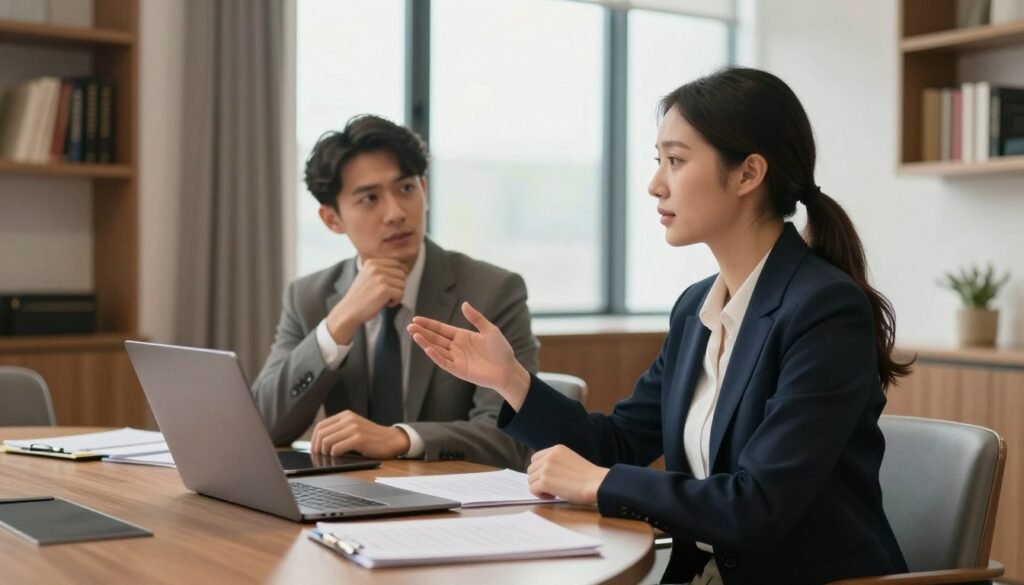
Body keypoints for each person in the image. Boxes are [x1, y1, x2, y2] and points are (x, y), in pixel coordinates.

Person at [408, 67, 911, 585]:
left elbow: (759, 505)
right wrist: (510, 380)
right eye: (659, 161)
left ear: (748, 174)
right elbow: (618, 442)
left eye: (675, 160)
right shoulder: (697, 307)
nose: (655, 185)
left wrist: (601, 484)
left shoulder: (825, 310)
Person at [251, 114, 536, 470]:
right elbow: (262, 425)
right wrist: (339, 321)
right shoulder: (308, 296)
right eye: (370, 198)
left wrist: (403, 438)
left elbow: (512, 437)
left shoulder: (491, 291)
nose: (396, 213)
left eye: (405, 189)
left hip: (453, 505)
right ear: (331, 219)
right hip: (348, 500)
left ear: (425, 191)